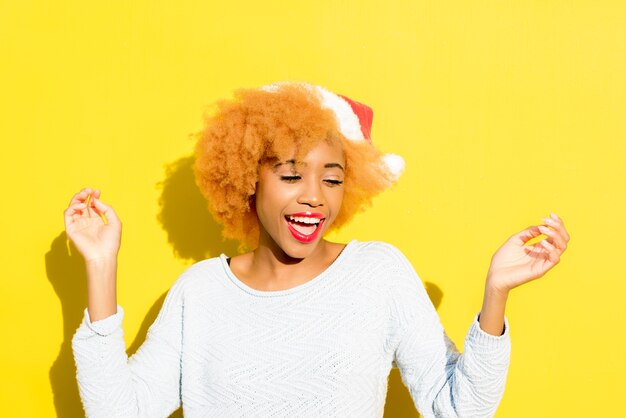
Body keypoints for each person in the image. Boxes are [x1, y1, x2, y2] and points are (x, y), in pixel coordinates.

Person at [65, 82, 570, 418]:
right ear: (247, 180)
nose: (314, 196)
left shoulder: (379, 273)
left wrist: (496, 294)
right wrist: (101, 266)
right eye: (290, 175)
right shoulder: (200, 292)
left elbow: (458, 408)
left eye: (332, 179)